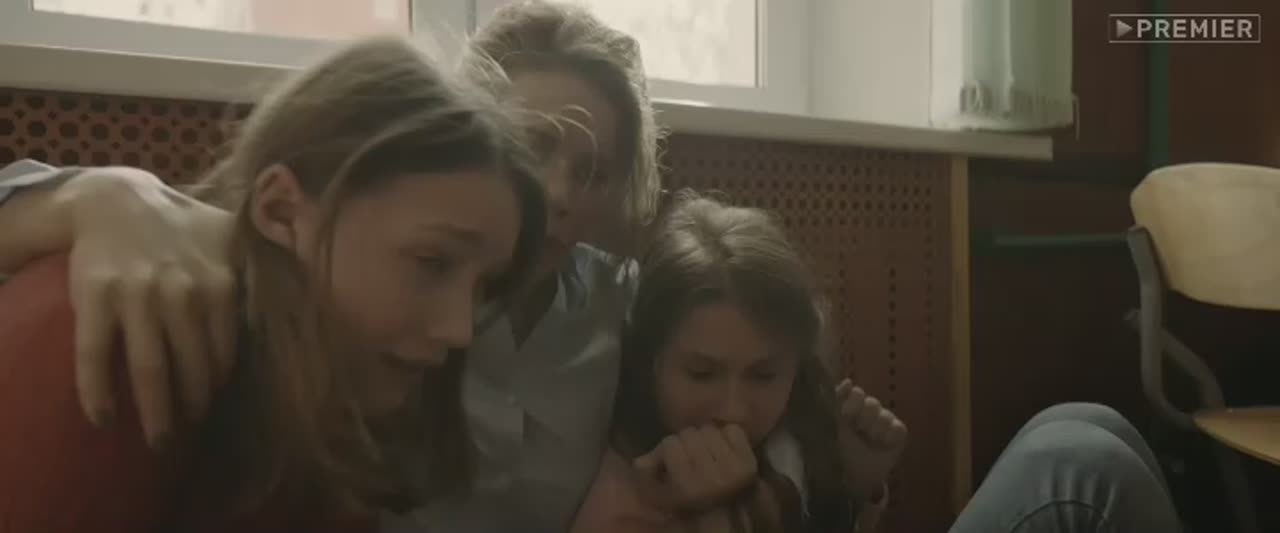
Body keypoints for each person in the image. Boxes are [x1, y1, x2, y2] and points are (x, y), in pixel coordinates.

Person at [0, 2, 1185, 532]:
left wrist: (783, 484)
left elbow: (760, 385)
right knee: (1083, 469)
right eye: (535, 149)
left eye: (597, 166)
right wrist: (98, 191)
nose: (562, 191)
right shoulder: (320, 302)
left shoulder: (619, 304)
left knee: (1082, 430)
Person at [0, 35, 547, 532]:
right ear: (282, 210)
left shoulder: (335, 402)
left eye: (484, 287)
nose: (459, 330)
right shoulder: (116, 333)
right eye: (432, 262)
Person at [570, 192, 892, 533]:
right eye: (701, 374)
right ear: (650, 362)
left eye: (764, 375)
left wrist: (855, 486)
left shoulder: (792, 442)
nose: (733, 411)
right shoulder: (623, 497)